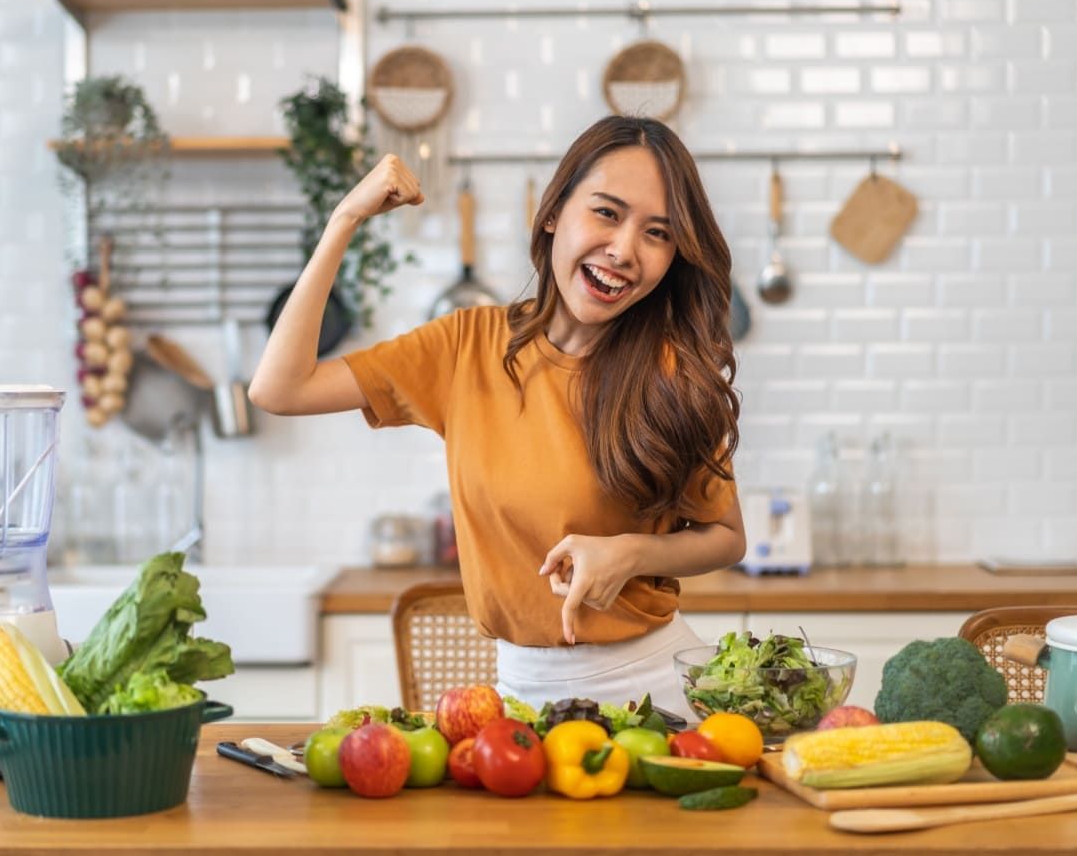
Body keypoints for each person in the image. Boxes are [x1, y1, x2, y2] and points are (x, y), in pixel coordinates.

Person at [250, 115, 744, 716]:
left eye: (658, 233)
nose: (623, 250)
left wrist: (632, 553)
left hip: (657, 694)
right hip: (521, 695)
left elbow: (726, 537)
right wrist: (343, 220)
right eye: (607, 213)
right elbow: (281, 387)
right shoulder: (465, 347)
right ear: (554, 210)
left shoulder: (671, 375)